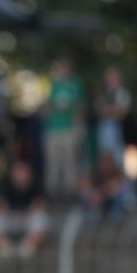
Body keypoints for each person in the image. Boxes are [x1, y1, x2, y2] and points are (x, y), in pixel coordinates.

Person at [43, 58, 84, 198]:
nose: (60, 71)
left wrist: (76, 127)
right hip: (53, 128)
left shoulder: (75, 84)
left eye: (62, 68)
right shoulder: (54, 85)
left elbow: (79, 107)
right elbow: (49, 105)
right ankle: (52, 189)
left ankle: (70, 189)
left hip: (69, 128)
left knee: (70, 160)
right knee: (53, 160)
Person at [0, 160, 47, 258]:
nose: (20, 175)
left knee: (40, 218)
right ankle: (4, 247)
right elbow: (0, 204)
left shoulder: (36, 185)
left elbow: (39, 204)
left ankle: (27, 247)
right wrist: (4, 209)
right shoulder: (5, 185)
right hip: (10, 217)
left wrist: (28, 212)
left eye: (23, 172)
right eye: (17, 173)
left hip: (27, 217)